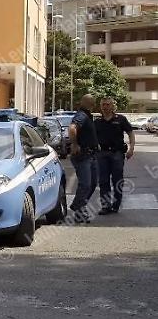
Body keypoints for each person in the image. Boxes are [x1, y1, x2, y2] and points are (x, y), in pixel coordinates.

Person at [95, 97, 136, 215]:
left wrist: (131, 148)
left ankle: (116, 205)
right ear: (101, 106)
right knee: (103, 181)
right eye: (103, 105)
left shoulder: (121, 119)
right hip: (102, 154)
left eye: (108, 104)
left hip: (117, 153)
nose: (106, 107)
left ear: (113, 106)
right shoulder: (97, 122)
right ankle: (105, 206)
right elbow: (92, 138)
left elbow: (130, 133)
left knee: (117, 180)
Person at [67, 93, 99, 223]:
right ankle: (78, 209)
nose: (91, 104)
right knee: (85, 184)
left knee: (92, 183)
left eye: (92, 102)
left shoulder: (87, 115)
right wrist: (75, 144)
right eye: (90, 102)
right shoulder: (81, 115)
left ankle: (79, 206)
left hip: (91, 155)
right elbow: (72, 128)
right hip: (83, 156)